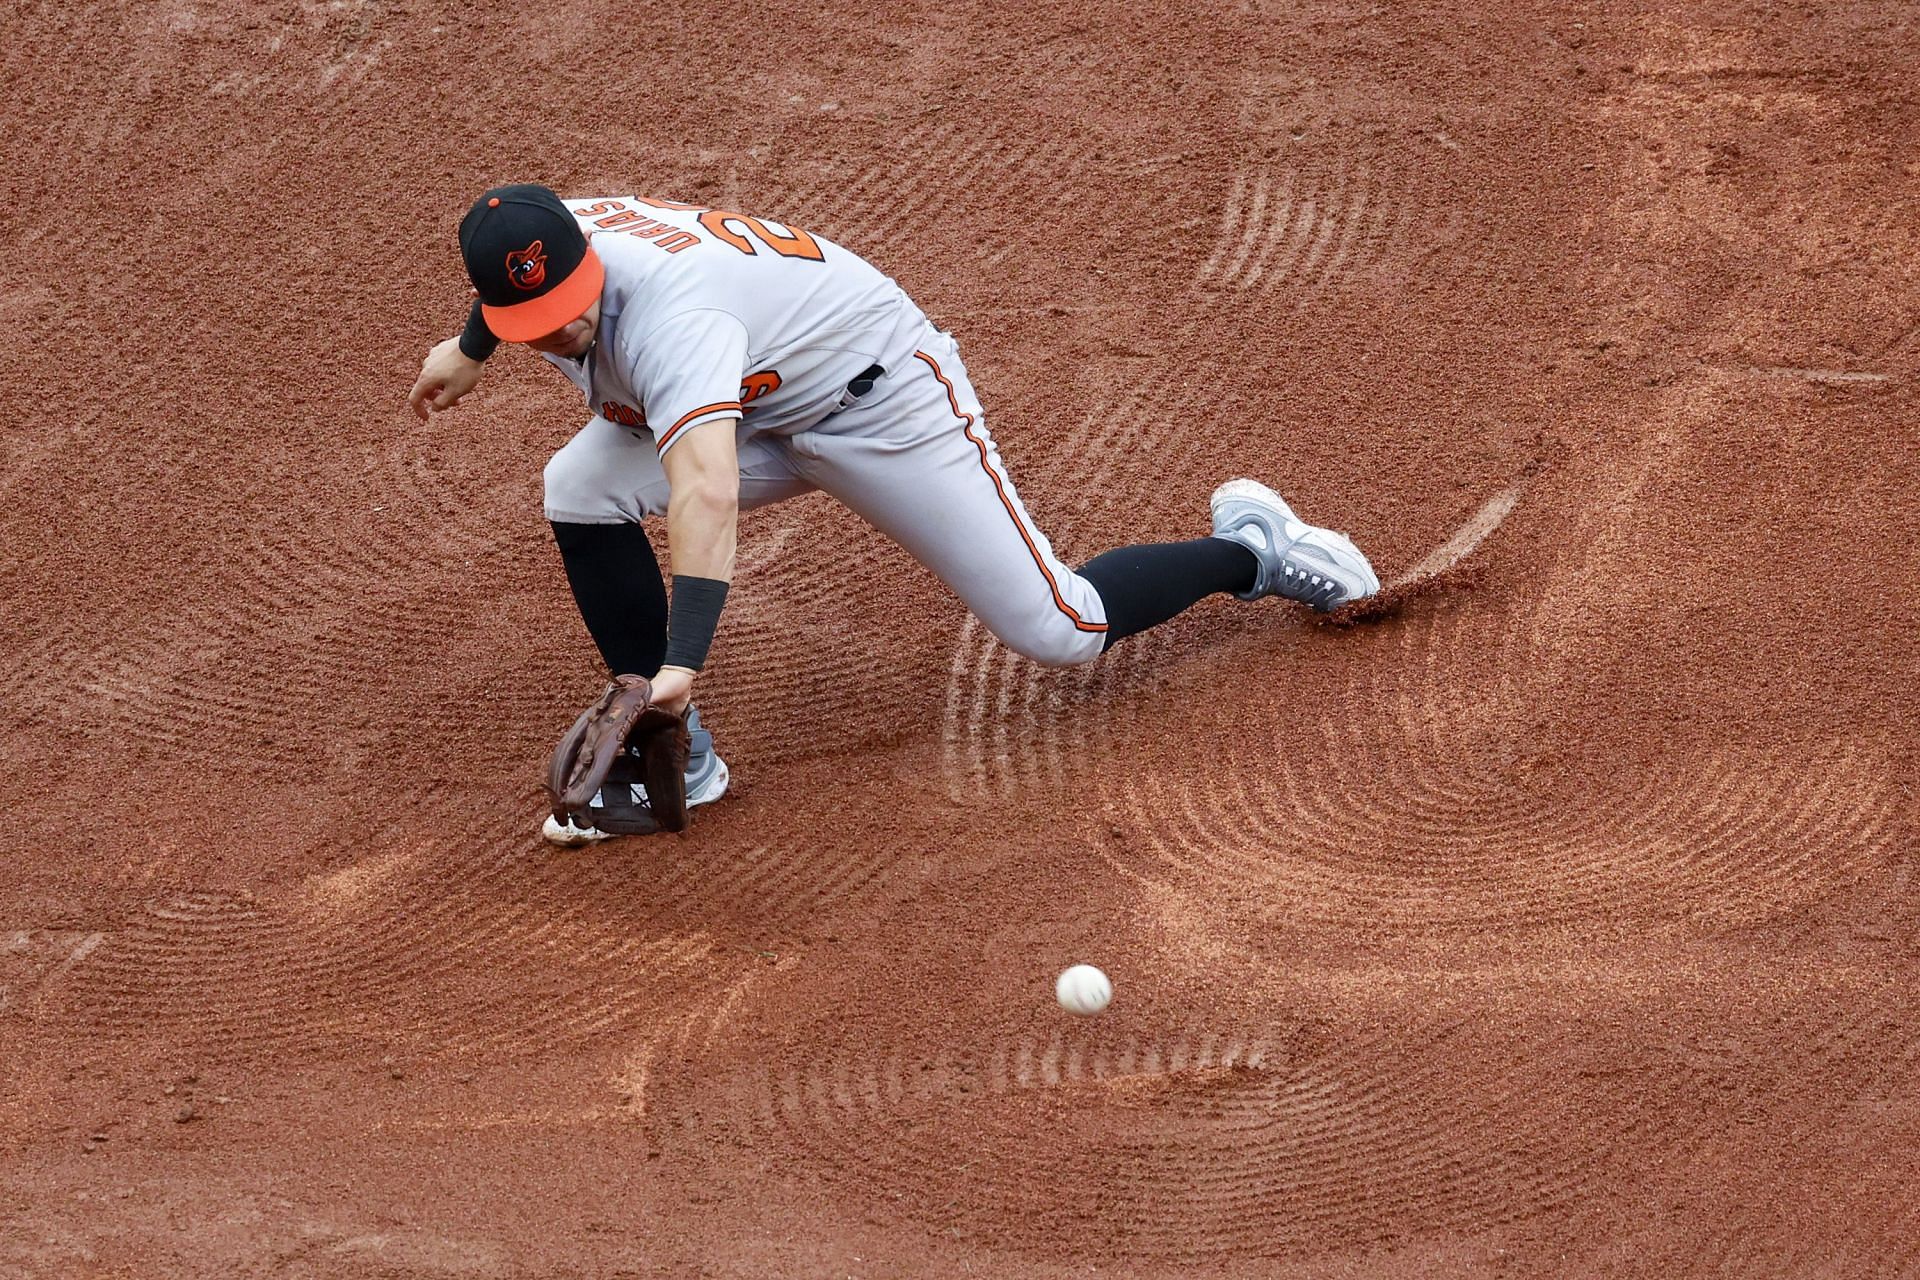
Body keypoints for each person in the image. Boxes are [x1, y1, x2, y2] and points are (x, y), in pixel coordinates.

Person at [407, 184, 1380, 842]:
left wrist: (682, 665)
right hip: (757, 400)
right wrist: (472, 349)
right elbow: (516, 287)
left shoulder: (673, 318)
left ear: (592, 260)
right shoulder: (546, 236)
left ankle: (1249, 546)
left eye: (573, 304)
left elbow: (706, 488)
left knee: (1062, 627)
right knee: (578, 486)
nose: (565, 328)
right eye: (535, 321)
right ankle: (684, 754)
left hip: (880, 408)